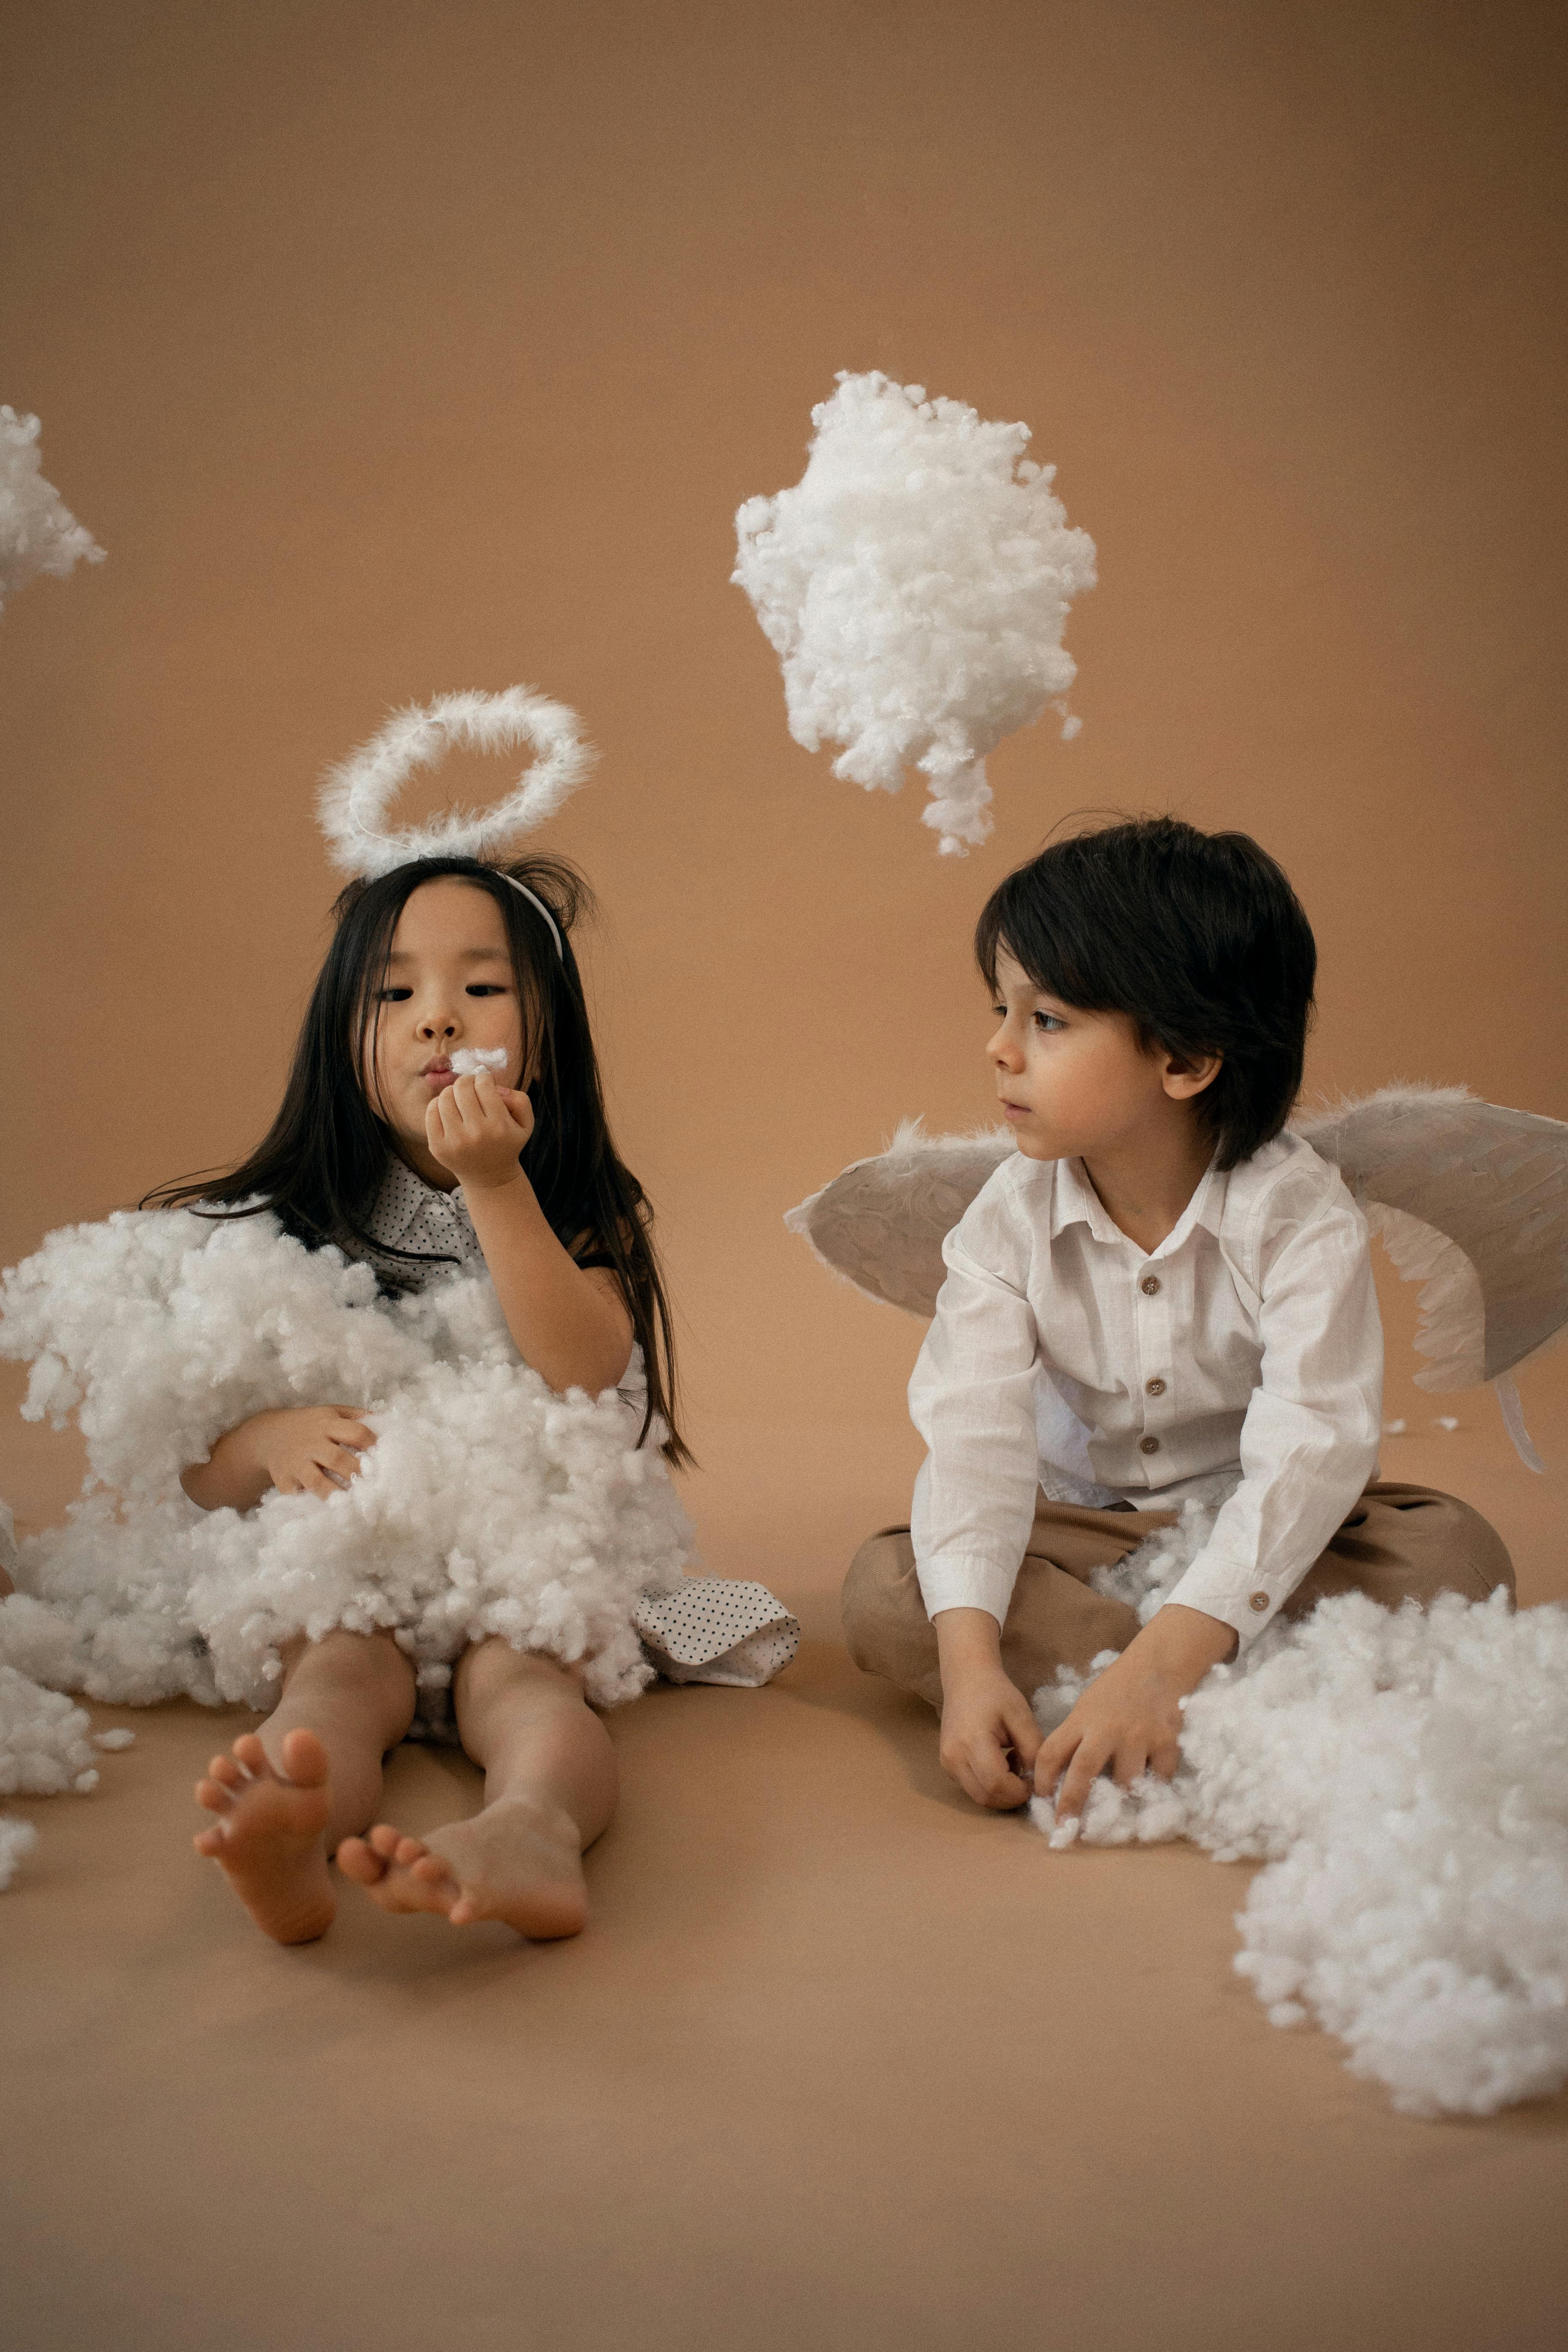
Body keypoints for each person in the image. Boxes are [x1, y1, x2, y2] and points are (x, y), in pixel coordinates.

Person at [842, 816, 1513, 1823]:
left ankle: (1163, 1663)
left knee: (1456, 1560)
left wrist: (1161, 1659)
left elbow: (1315, 1443)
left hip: (1263, 1521)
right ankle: (1220, 1660)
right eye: (1002, 1009)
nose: (998, 1048)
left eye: (1049, 1019)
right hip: (1080, 1528)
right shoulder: (1007, 1218)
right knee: (890, 1593)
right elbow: (972, 1436)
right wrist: (973, 1670)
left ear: (1189, 1059)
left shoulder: (1295, 1210)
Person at [169, 852, 689, 1945]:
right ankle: (296, 1827)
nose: (438, 1022)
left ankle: (534, 1831)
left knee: (529, 1687)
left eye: (482, 989)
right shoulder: (293, 1219)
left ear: (545, 1030)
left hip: (519, 1552)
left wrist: (499, 1185)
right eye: (395, 994)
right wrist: (265, 1438)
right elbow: (196, 1473)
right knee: (335, 1679)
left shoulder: (579, 1200)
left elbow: (588, 1371)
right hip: (362, 1548)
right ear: (341, 1036)